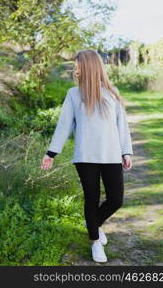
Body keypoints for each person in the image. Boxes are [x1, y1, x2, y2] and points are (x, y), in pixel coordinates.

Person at [40, 49, 133, 263]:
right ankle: (95, 241)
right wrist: (51, 153)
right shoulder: (74, 94)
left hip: (111, 155)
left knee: (116, 199)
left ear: (90, 66)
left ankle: (92, 222)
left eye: (78, 66)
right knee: (91, 198)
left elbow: (122, 127)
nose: (75, 70)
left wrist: (126, 151)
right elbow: (64, 126)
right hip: (85, 157)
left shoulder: (112, 92)